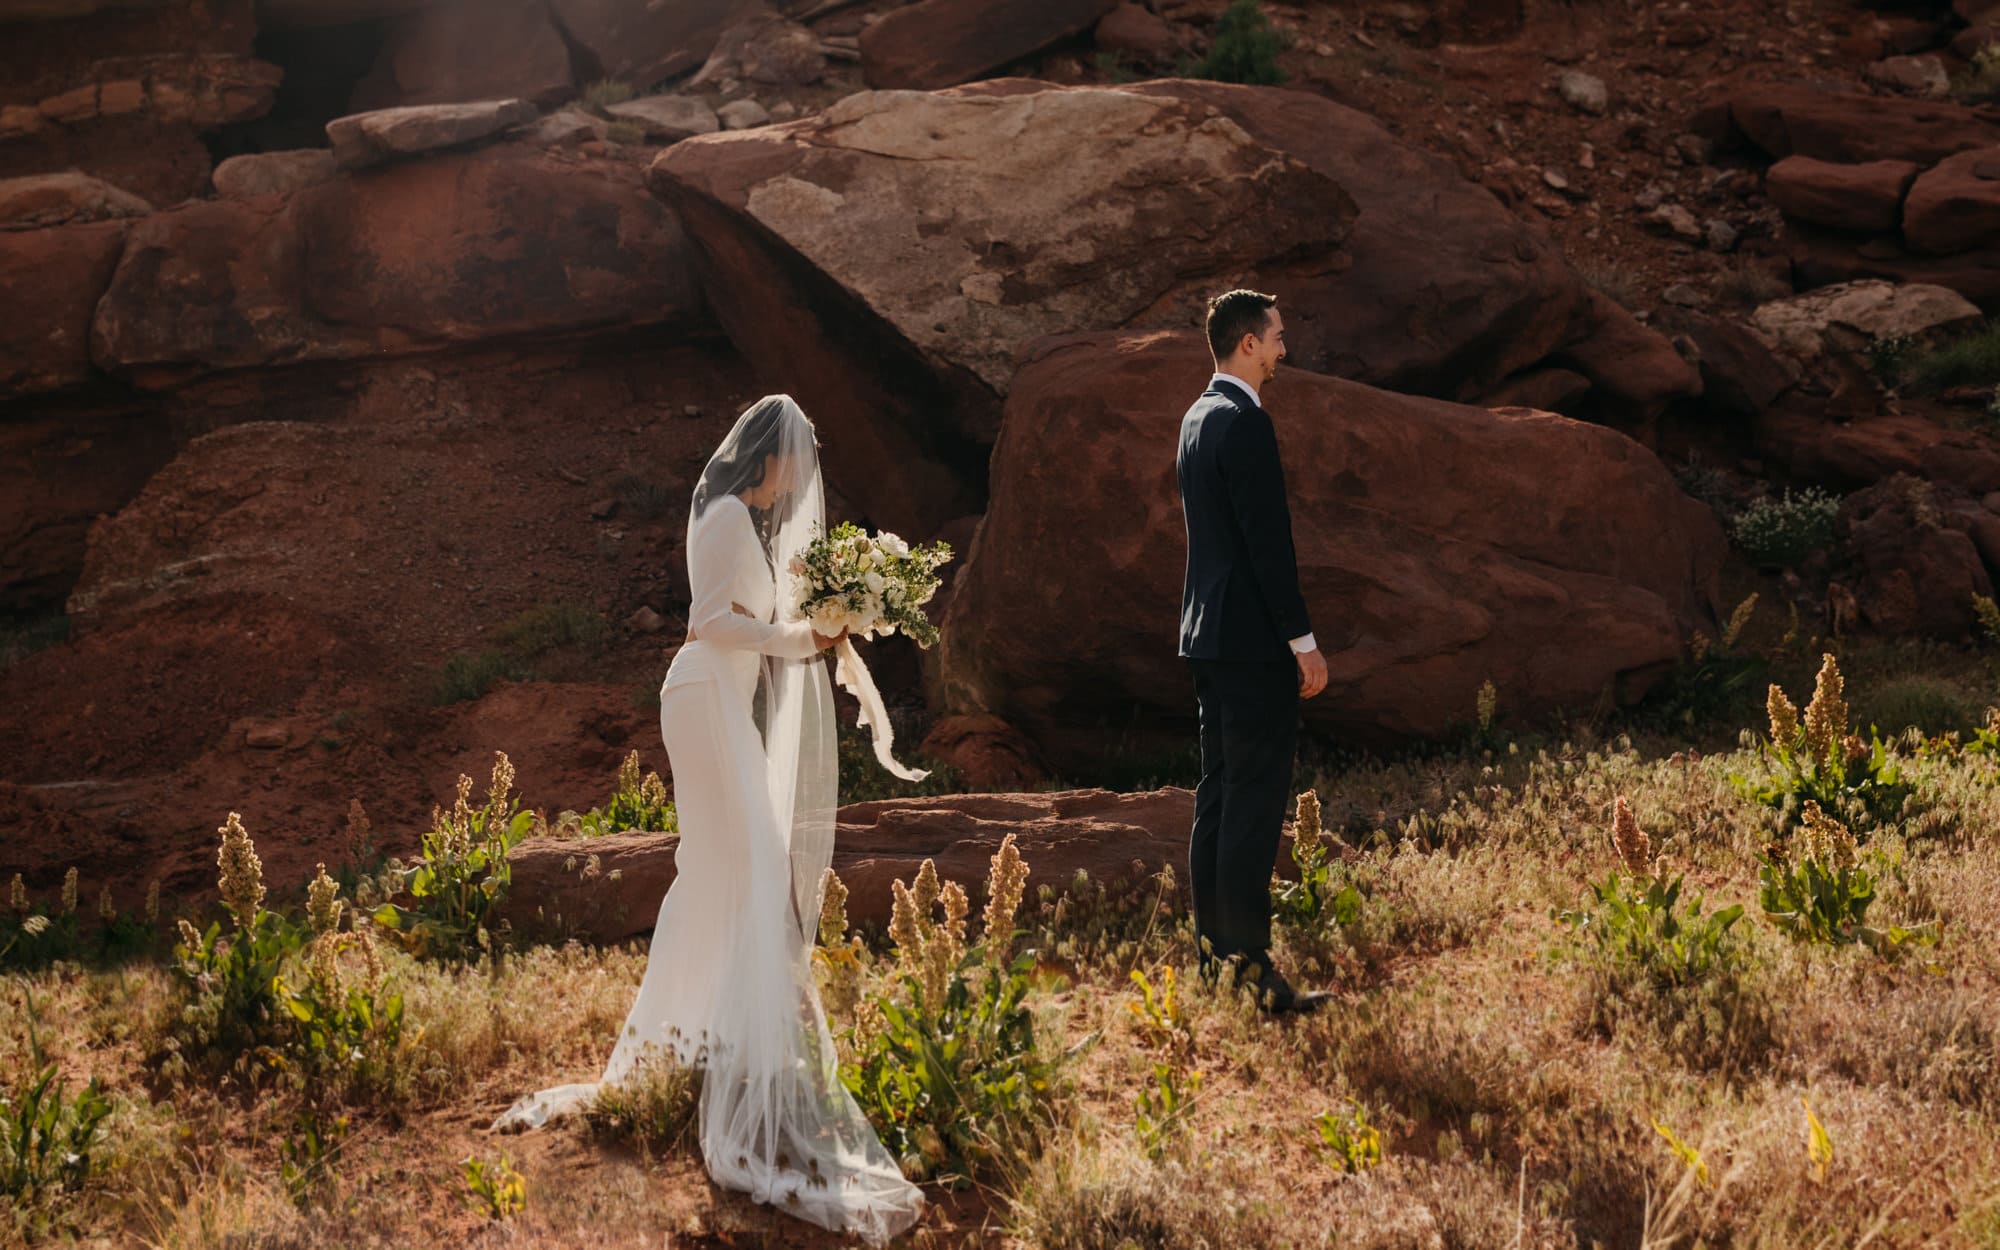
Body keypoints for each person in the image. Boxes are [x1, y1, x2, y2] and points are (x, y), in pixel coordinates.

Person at [493, 396, 925, 1245]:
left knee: (723, 873)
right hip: (702, 694)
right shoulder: (728, 513)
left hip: (713, 698)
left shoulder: (735, 516)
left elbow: (741, 624)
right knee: (754, 862)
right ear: (772, 458)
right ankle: (745, 1066)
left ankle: (697, 1043)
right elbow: (711, 622)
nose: (802, 481)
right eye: (799, 464)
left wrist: (810, 632)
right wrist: (802, 637)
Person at [1176, 290, 1330, 1016]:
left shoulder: (1195, 418)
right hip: (1251, 644)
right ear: (1246, 345)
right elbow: (1268, 548)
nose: (1282, 348)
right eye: (1275, 336)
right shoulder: (1245, 423)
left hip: (1206, 637)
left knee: (1217, 801)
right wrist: (1301, 641)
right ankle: (1250, 971)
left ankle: (1213, 961)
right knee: (1254, 808)